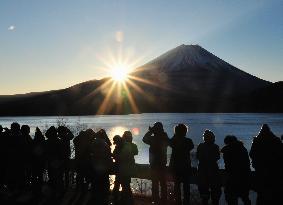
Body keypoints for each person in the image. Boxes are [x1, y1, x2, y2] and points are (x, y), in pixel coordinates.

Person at [249, 124, 283, 205]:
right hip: (274, 168)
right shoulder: (276, 140)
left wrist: (256, 161)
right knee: (274, 188)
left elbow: (251, 153)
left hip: (260, 167)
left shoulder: (256, 140)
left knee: (262, 190)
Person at [143, 122, 169, 203]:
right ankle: (164, 200)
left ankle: (156, 200)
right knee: (163, 183)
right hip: (162, 164)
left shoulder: (153, 139)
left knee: (155, 184)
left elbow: (144, 139)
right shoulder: (165, 137)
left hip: (154, 165)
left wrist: (151, 131)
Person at [221, 135, 251, 205]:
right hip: (244, 175)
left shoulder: (227, 150)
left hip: (232, 176)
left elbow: (228, 164)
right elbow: (247, 162)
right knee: (245, 196)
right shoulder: (243, 149)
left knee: (231, 197)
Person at [169, 124, 194, 205]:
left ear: (176, 132)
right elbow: (191, 147)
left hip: (175, 167)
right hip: (186, 166)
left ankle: (178, 202)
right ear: (185, 131)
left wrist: (175, 135)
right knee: (186, 187)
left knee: (177, 186)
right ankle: (186, 202)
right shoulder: (188, 141)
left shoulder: (173, 141)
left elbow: (170, 143)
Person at [196, 130, 221, 205]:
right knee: (215, 191)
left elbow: (198, 156)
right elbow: (217, 157)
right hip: (213, 170)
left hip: (202, 170)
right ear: (212, 138)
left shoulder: (200, 146)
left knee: (204, 191)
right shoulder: (215, 146)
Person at [89, 130, 112, 205]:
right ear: (104, 136)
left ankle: (95, 198)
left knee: (95, 184)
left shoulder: (93, 143)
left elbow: (90, 151)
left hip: (95, 166)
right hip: (104, 167)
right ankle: (103, 199)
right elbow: (109, 150)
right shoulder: (105, 144)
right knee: (104, 184)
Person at [118, 131, 138, 205]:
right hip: (129, 168)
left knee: (125, 185)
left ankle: (126, 200)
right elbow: (136, 152)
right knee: (126, 185)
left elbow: (120, 155)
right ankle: (127, 200)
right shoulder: (133, 145)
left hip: (123, 168)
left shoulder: (123, 145)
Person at [45, 126, 64, 197]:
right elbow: (61, 152)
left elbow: (45, 152)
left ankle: (54, 191)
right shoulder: (59, 141)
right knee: (58, 177)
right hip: (57, 161)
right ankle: (59, 191)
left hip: (50, 161)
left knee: (52, 177)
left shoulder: (47, 142)